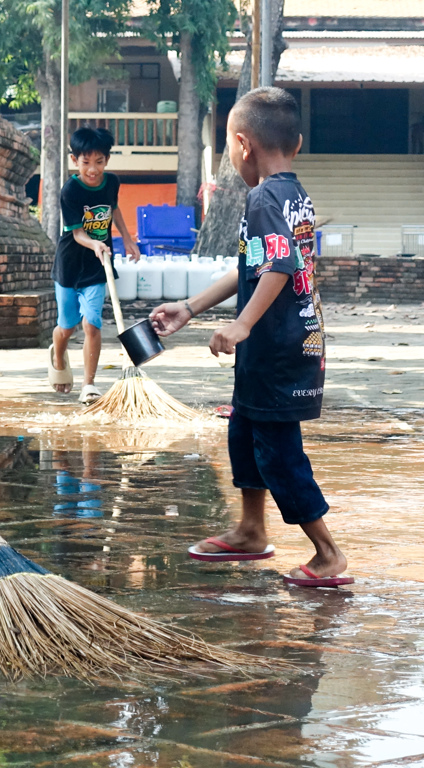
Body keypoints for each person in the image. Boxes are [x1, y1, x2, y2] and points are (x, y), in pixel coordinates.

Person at [149, 87, 351, 588]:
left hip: (276, 347)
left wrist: (241, 325)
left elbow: (279, 265)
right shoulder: (293, 193)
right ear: (296, 144)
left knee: (277, 451)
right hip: (280, 344)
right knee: (244, 431)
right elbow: (252, 269)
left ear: (242, 144)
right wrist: (191, 307)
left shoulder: (262, 198)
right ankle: (250, 529)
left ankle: (327, 553)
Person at [48, 127, 141, 403]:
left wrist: (127, 238)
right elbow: (77, 234)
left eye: (99, 162)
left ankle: (89, 384)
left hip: (97, 265)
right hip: (69, 264)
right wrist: (96, 243)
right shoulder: (71, 190)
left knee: (92, 324)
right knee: (67, 327)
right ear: (75, 160)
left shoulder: (111, 182)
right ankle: (57, 353)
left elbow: (113, 208)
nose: (92, 169)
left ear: (107, 161)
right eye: (86, 162)